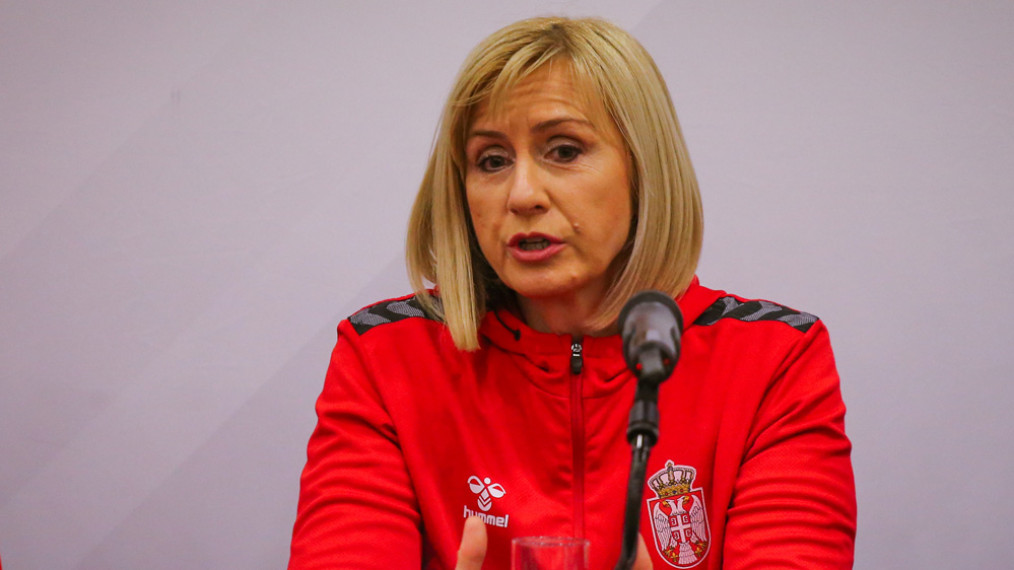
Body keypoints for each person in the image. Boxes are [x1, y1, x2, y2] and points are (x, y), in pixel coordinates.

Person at [288, 16, 856, 570]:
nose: (522, 195)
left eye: (563, 151)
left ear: (644, 169)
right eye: (492, 161)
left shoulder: (774, 358)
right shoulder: (386, 356)